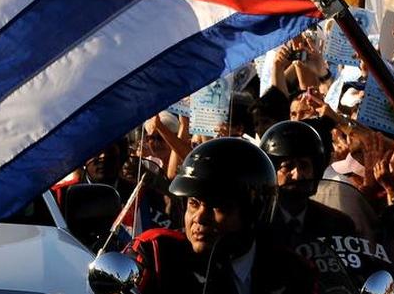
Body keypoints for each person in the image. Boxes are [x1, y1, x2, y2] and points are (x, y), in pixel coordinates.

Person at [126, 137, 318, 294]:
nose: (200, 218)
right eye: (194, 204)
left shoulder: (294, 272)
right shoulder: (156, 253)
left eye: (218, 207)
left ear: (253, 212)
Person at [259, 121, 356, 247]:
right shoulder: (256, 222)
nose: (298, 175)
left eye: (304, 166)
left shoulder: (338, 223)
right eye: (287, 167)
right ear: (271, 170)